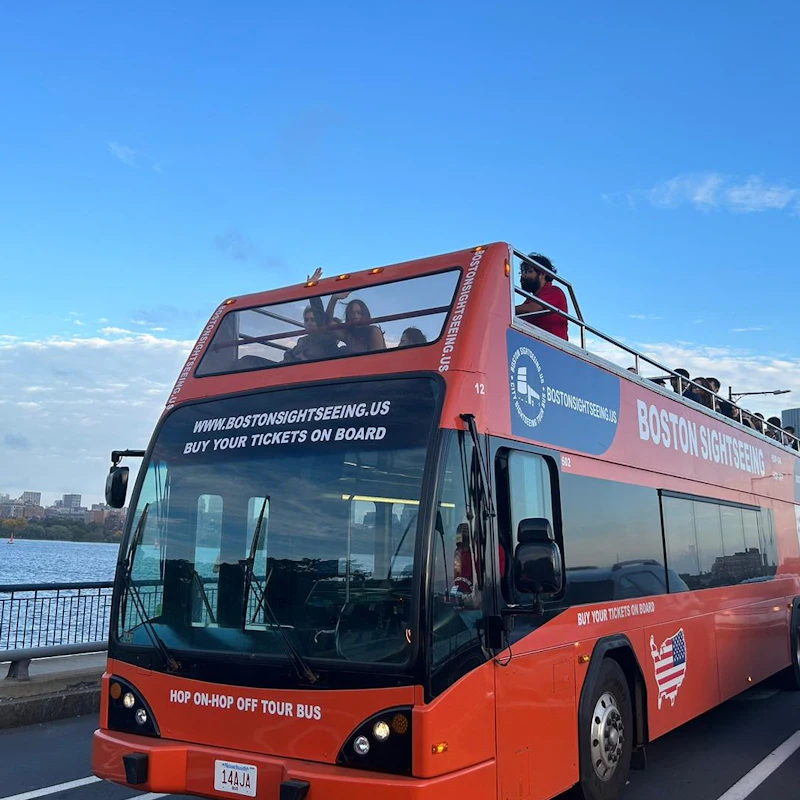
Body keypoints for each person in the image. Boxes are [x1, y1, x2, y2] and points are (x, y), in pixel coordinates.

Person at [515, 253, 568, 340]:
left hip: (551, 346)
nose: (524, 276)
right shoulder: (530, 299)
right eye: (522, 272)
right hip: (535, 344)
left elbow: (534, 308)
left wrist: (506, 309)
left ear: (542, 274)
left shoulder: (554, 291)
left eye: (529, 271)